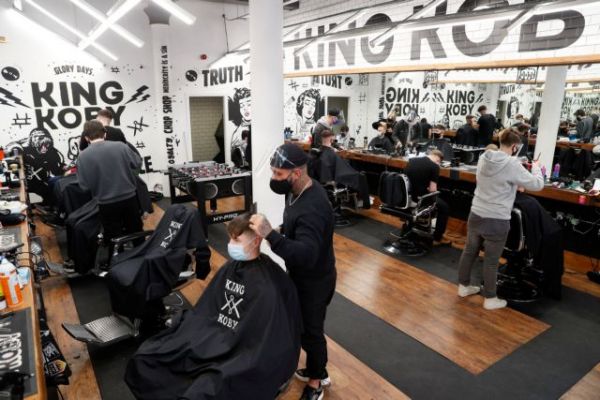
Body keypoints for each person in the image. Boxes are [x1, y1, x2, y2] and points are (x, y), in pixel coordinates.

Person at [125, 213, 302, 400]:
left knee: (205, 390)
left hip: (241, 350)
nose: (230, 244)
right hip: (212, 334)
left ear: (256, 240)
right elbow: (207, 309)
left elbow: (263, 339)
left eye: (236, 240)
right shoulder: (230, 268)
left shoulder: (268, 285)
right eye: (230, 238)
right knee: (147, 359)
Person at [249, 144, 336, 400]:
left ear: (296, 173)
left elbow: (306, 255)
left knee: (312, 331)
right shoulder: (295, 191)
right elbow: (294, 222)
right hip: (300, 275)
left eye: (278, 174)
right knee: (300, 325)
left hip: (315, 280)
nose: (274, 178)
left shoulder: (314, 206)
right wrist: (280, 229)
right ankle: (316, 367)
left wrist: (271, 235)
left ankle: (317, 381)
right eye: (273, 172)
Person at [457, 129, 544, 310]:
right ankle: (490, 298)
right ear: (515, 147)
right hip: (496, 219)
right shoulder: (513, 164)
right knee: (491, 260)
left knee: (469, 251)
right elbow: (538, 185)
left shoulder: (484, 157)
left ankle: (463, 287)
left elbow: (488, 178)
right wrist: (536, 167)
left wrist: (512, 180)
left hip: (476, 213)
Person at [77, 120, 143, 257]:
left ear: (86, 138)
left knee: (113, 236)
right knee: (137, 231)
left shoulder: (83, 156)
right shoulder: (121, 146)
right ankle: (142, 258)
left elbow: (84, 186)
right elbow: (137, 162)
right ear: (105, 134)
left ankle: (118, 262)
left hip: (106, 203)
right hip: (130, 199)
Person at [403, 149, 451, 246]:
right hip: (420, 199)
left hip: (406, 197)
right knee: (444, 207)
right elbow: (433, 190)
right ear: (438, 160)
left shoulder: (412, 160)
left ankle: (413, 226)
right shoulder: (434, 166)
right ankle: (437, 238)